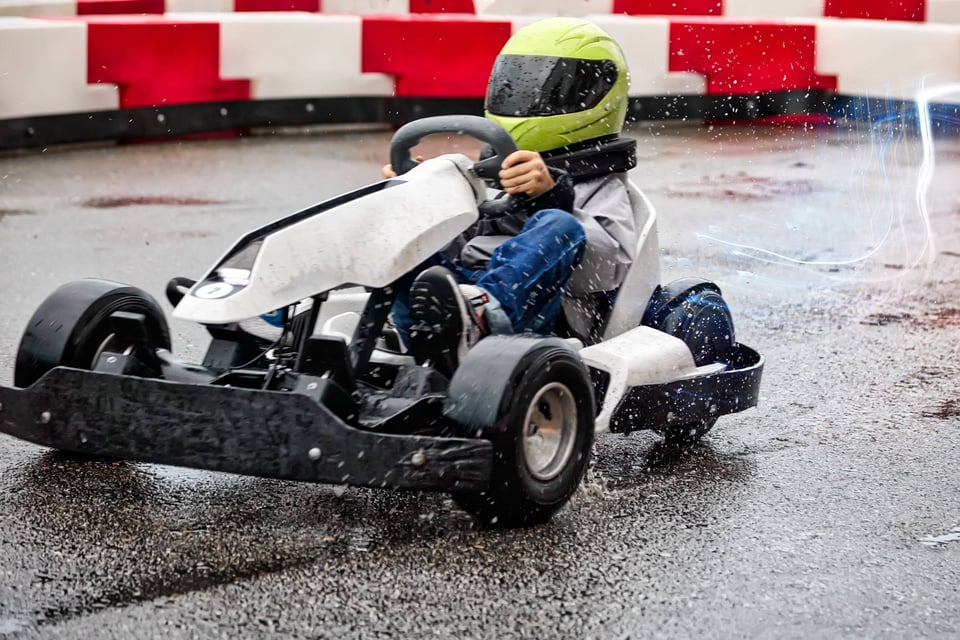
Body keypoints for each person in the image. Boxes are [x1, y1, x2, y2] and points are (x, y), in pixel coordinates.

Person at [383, 17, 639, 376]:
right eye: (519, 85)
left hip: (538, 314)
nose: (529, 100)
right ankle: (318, 320)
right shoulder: (495, 167)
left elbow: (604, 273)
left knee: (557, 224)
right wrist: (425, 195)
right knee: (397, 215)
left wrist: (550, 195)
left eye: (550, 89)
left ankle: (483, 315)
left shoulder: (601, 182)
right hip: (456, 299)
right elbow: (457, 246)